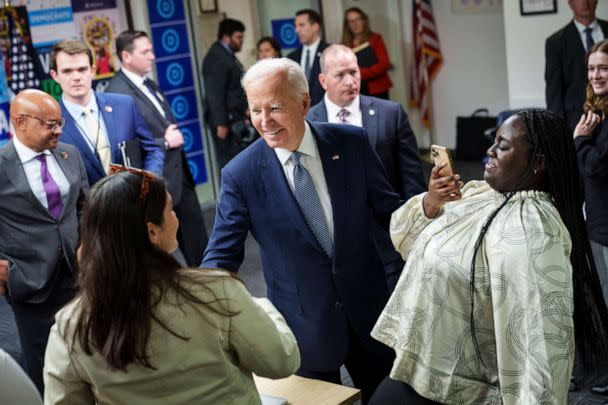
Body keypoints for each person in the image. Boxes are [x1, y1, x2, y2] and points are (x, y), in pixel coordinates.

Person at [369, 109, 608, 404]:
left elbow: (541, 343)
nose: (489, 150)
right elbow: (403, 238)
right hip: (420, 366)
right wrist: (432, 202)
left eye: (502, 145)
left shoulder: (532, 229)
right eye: (493, 141)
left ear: (539, 162)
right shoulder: (481, 194)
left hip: (467, 391)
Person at [202, 57, 403, 404]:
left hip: (370, 312)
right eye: (255, 110)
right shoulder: (240, 173)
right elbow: (221, 256)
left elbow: (390, 212)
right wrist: (192, 301)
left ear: (305, 102)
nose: (264, 121)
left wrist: (428, 209)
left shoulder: (351, 143)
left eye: (275, 108)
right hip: (305, 325)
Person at [43, 168, 300, 404]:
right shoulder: (215, 291)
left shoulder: (70, 326)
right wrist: (261, 305)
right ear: (152, 232)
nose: (176, 219)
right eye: (170, 210)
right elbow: (282, 360)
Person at [308, 44, 425, 290]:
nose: (350, 81)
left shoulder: (390, 114)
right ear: (323, 80)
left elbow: (412, 179)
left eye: (354, 72)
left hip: (389, 237)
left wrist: (414, 228)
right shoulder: (308, 123)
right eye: (340, 75)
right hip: (336, 243)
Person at [0, 89, 89, 393]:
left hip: (79, 278)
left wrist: (88, 245)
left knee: (90, 354)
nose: (58, 131)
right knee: (45, 369)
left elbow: (83, 206)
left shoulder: (69, 153)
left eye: (59, 123)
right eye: (50, 125)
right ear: (20, 122)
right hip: (31, 283)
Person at [106, 30, 208, 267]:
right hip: (155, 184)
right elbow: (124, 148)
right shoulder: (117, 93)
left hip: (179, 177)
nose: (153, 56)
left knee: (200, 248)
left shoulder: (148, 83)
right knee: (161, 261)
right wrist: (165, 142)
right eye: (146, 51)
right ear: (126, 56)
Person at [50, 39, 164, 186]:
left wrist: (147, 184)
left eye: (82, 69)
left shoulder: (124, 105)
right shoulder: (51, 123)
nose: (76, 77)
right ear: (55, 75)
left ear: (92, 70)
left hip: (134, 202)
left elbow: (152, 150)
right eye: (67, 71)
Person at [573, 38, 608, 401]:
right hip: (596, 218)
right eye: (592, 68)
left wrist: (580, 140)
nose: (596, 75)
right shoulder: (596, 109)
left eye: (604, 68)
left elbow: (596, 168)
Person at [545, 0, 608, 131]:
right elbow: (554, 92)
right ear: (570, 3)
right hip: (576, 120)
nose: (585, 2)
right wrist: (558, 130)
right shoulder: (556, 42)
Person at [201, 18, 251, 169]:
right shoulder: (217, 57)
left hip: (235, 120)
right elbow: (214, 93)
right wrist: (221, 123)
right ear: (226, 37)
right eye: (238, 37)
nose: (241, 41)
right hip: (225, 124)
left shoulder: (227, 55)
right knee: (229, 165)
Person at [341, 7, 392, 99]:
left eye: (358, 20)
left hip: (377, 88)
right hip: (355, 91)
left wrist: (360, 73)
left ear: (364, 21)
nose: (355, 24)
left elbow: (384, 64)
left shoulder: (375, 39)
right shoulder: (344, 45)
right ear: (347, 25)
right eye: (351, 21)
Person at [287, 9, 328, 105]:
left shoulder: (329, 52)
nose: (297, 30)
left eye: (301, 25)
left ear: (315, 27)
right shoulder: (291, 57)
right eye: (295, 26)